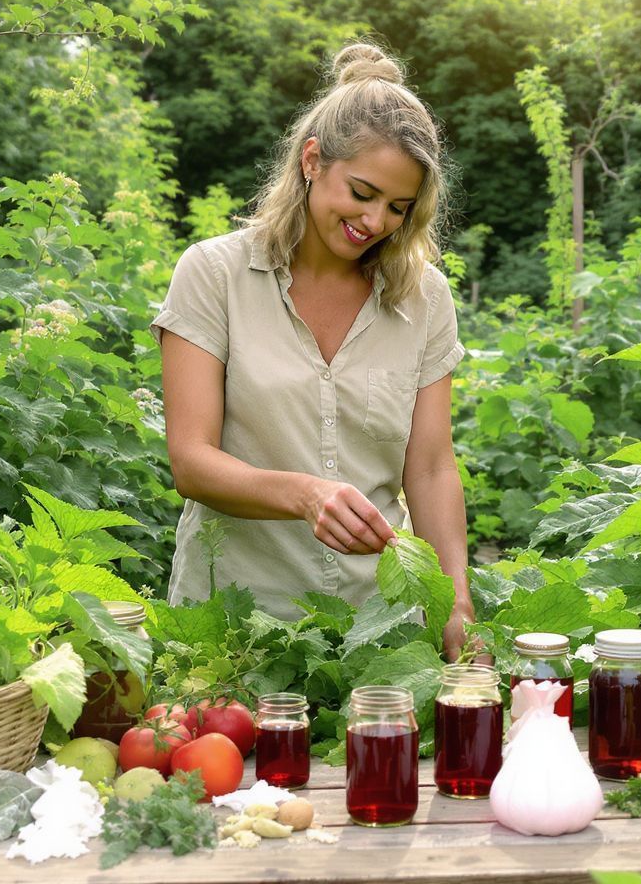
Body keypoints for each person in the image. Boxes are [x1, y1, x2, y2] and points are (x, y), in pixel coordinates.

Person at [151, 41, 476, 659]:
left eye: (398, 208)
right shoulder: (214, 274)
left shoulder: (424, 298)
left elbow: (430, 468)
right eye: (361, 192)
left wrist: (456, 600)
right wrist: (308, 494)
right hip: (232, 630)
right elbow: (191, 461)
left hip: (377, 630)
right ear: (311, 161)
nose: (376, 220)